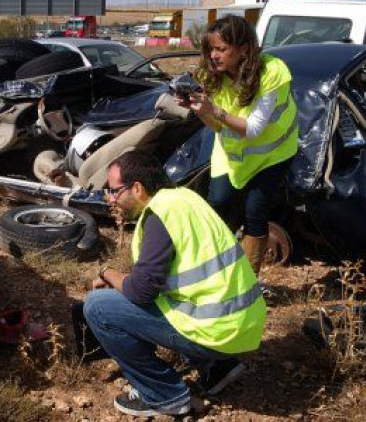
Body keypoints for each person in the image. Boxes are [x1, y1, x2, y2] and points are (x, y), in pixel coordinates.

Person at [73, 151, 266, 418]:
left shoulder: (160, 215)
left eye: (115, 191)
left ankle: (165, 395)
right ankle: (218, 367)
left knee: (97, 306)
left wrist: (107, 273)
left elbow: (140, 292)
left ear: (137, 188)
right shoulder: (185, 198)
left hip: (215, 330)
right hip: (242, 324)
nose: (111, 199)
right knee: (146, 295)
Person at [185, 15, 298, 275]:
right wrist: (202, 111)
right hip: (233, 151)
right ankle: (212, 271)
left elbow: (254, 129)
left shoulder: (272, 72)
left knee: (255, 210)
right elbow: (216, 127)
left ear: (244, 49)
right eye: (211, 49)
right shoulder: (211, 74)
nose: (214, 55)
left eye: (221, 49)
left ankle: (247, 283)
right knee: (218, 203)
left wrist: (216, 110)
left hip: (273, 152)